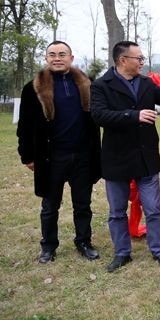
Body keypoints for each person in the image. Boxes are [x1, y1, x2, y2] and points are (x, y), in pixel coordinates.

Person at [91, 41, 160, 272]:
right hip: (117, 158)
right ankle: (122, 253)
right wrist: (134, 116)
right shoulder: (101, 85)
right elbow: (99, 116)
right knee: (117, 212)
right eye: (138, 58)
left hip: (145, 157)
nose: (142, 62)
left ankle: (159, 251)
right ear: (123, 60)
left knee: (154, 208)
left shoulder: (146, 83)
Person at [17, 40, 102, 263]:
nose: (57, 58)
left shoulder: (87, 84)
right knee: (49, 206)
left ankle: (84, 242)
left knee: (83, 205)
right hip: (51, 157)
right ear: (46, 58)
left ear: (71, 58)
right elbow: (24, 126)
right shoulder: (33, 88)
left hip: (82, 156)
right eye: (52, 54)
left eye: (62, 54)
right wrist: (27, 156)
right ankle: (48, 246)